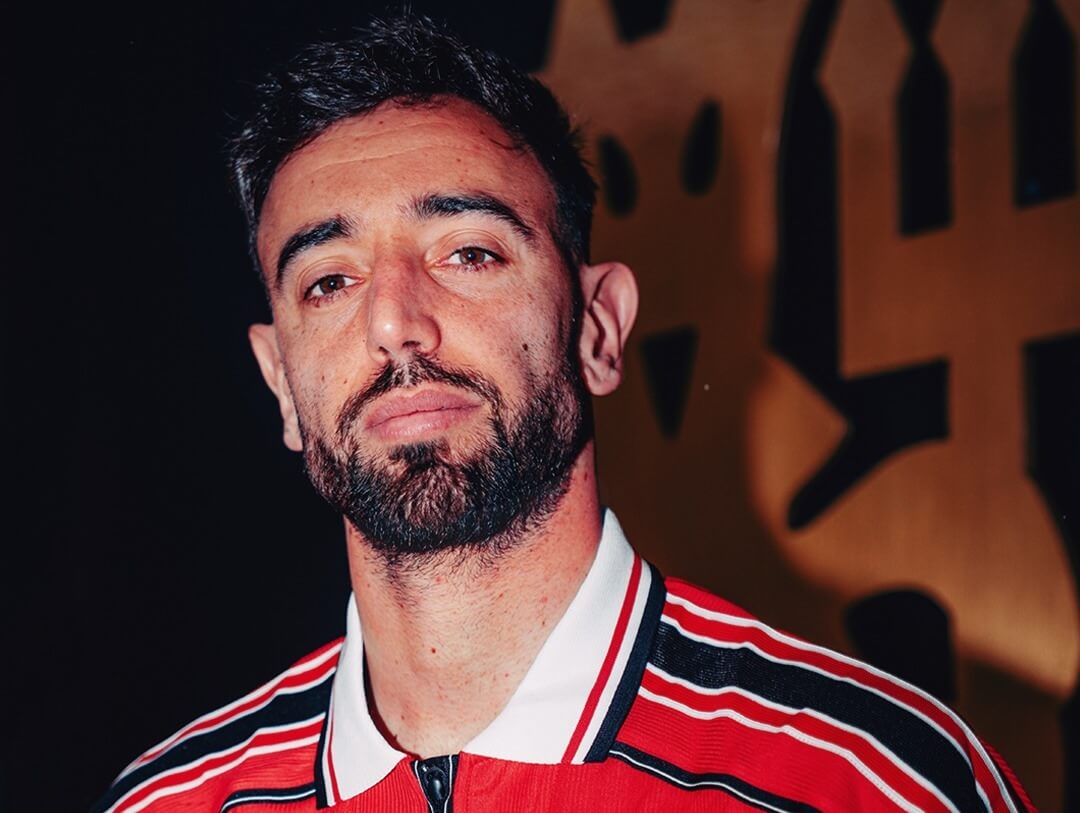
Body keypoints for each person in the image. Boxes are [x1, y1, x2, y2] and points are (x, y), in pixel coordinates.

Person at [92, 15, 1034, 813]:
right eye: (329, 280)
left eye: (468, 253)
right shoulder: (169, 800)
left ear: (598, 328)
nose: (393, 323)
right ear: (280, 383)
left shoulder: (869, 782)